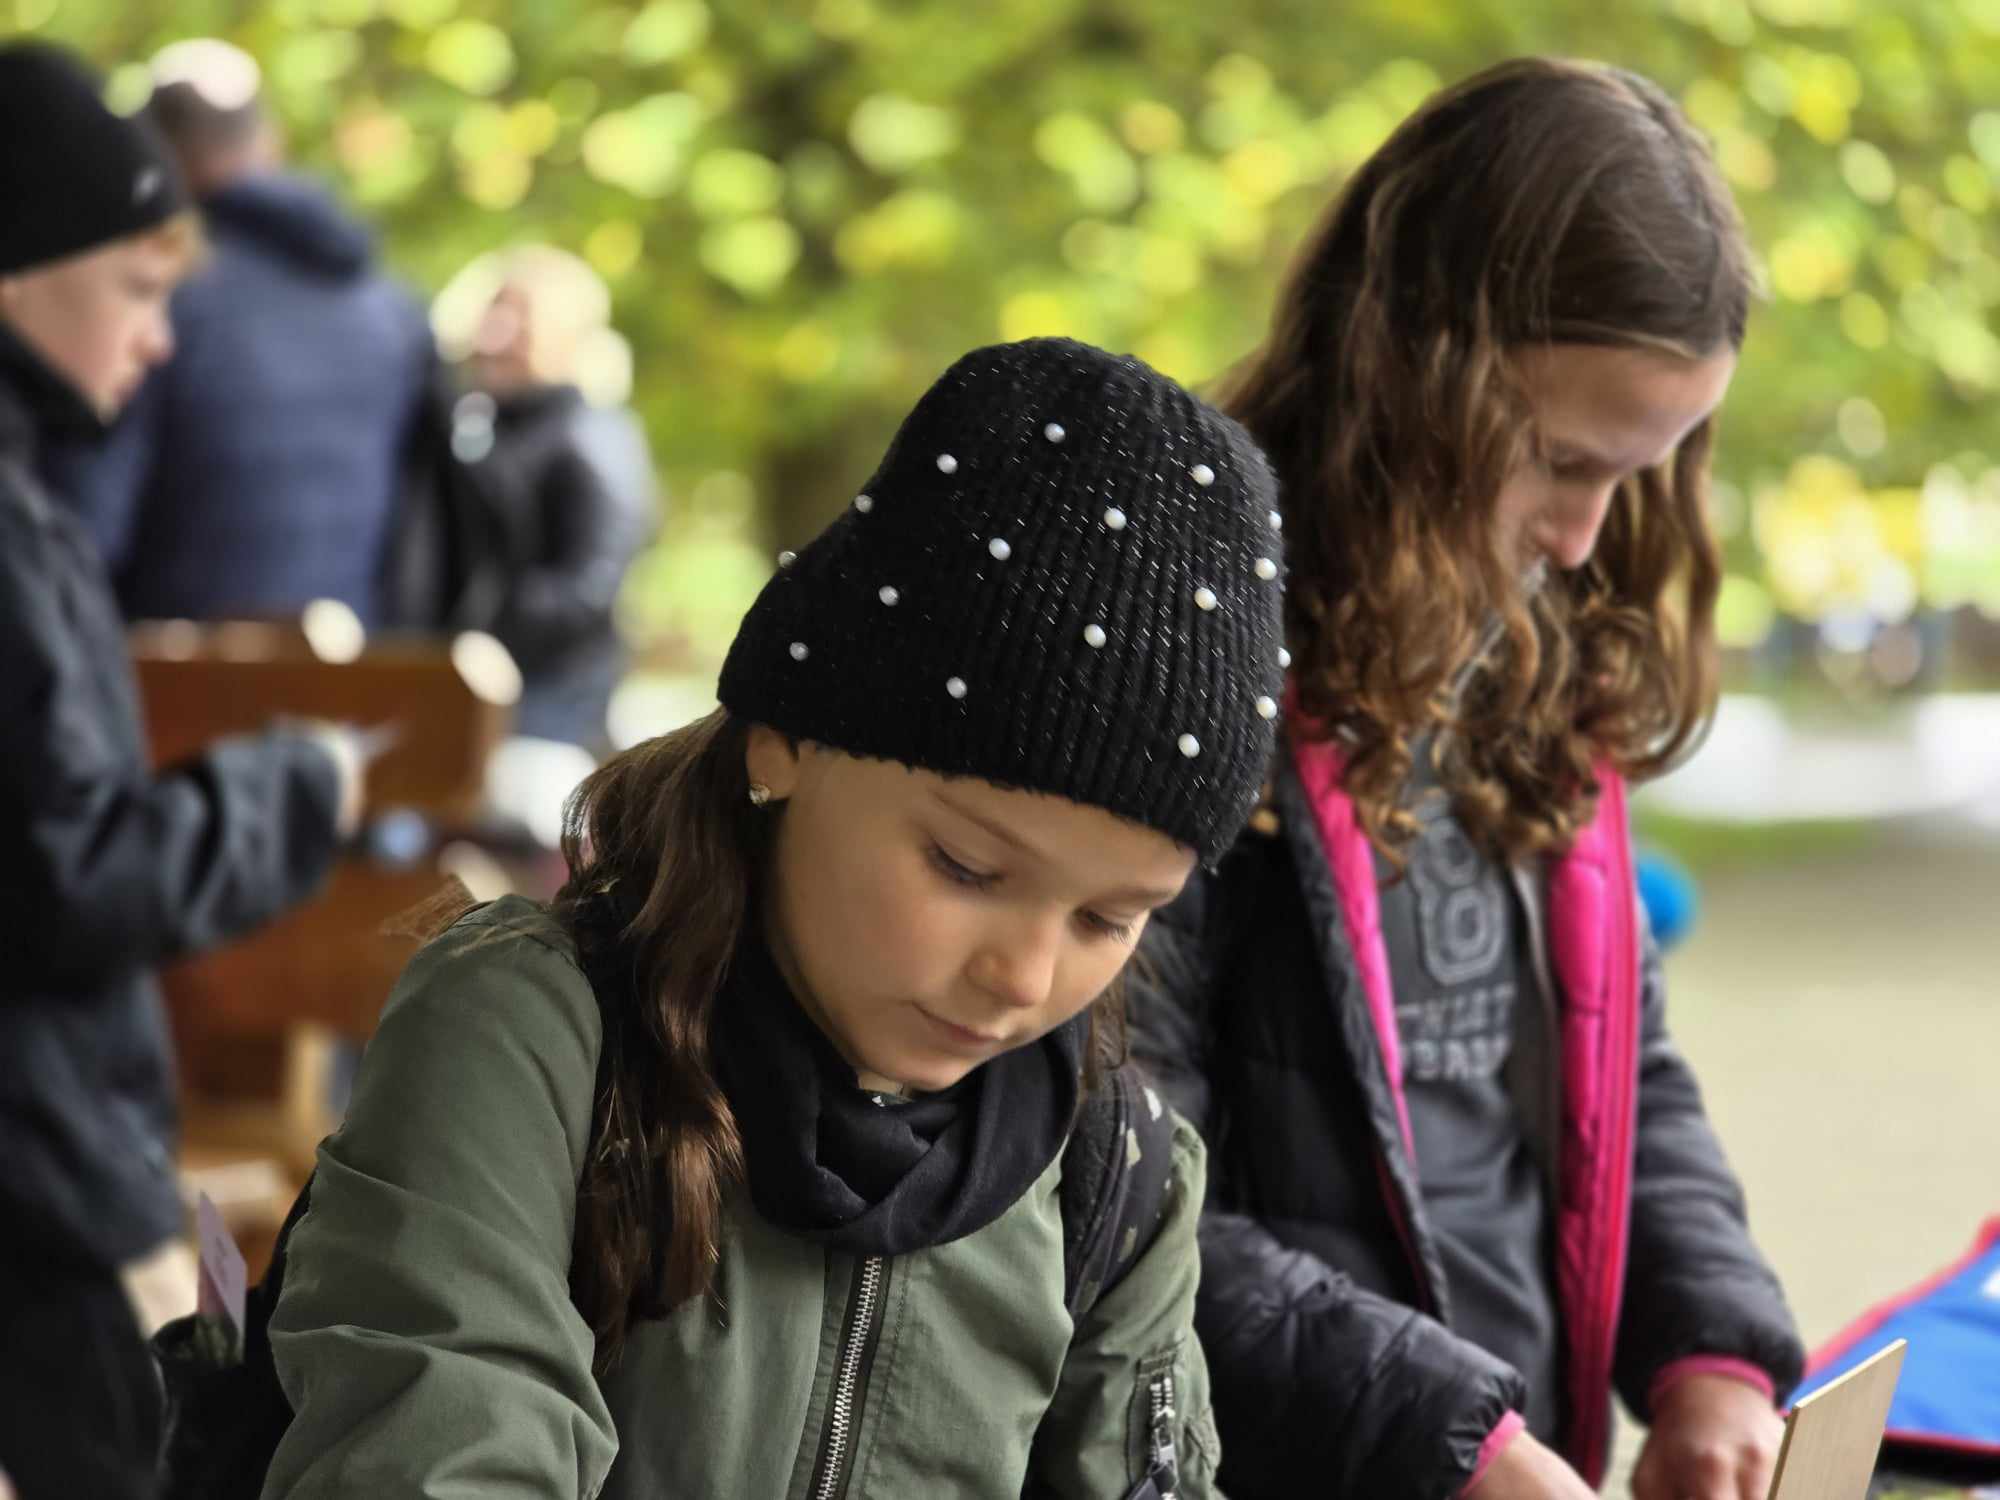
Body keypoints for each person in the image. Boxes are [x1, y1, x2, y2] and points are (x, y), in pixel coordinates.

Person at [254, 338, 1287, 1498]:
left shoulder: (1120, 1177)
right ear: (784, 741)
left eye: (1108, 918)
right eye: (962, 865)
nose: (1023, 977)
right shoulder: (525, 1036)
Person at [1128, 58, 1805, 1500]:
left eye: (1644, 469)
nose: (1582, 537)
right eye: (1561, 460)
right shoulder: (1189, 646)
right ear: (1415, 369)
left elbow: (1629, 1070)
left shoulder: (1539, 654)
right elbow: (1116, 1181)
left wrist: (1713, 1355)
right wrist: (1453, 1442)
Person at [0, 41, 367, 1500]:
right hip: (42, 1186)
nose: (157, 343)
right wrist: (294, 789)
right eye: (139, 290)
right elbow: (67, 875)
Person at [42, 38, 432, 628]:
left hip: (167, 691)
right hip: (350, 689)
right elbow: (418, 538)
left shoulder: (147, 296)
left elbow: (83, 535)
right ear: (269, 142)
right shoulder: (389, 308)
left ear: (149, 153)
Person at [447, 244, 660, 750]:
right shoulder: (482, 429)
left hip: (548, 720)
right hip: (474, 702)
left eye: (518, 319)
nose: (494, 335)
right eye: (493, 312)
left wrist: (479, 630)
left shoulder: (592, 437)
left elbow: (587, 585)